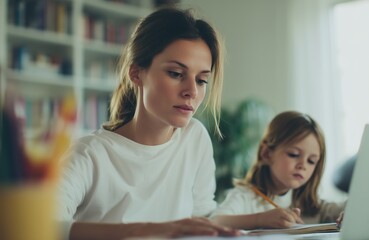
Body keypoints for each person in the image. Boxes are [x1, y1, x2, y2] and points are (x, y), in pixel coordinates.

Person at [57, 7, 240, 240]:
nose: (192, 91)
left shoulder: (195, 137)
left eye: (202, 80)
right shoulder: (90, 154)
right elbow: (40, 225)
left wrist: (259, 219)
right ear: (136, 73)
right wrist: (140, 231)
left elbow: (202, 216)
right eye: (175, 73)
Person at [210, 111, 345, 230]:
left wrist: (349, 213)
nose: (303, 165)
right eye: (293, 154)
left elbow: (349, 206)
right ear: (267, 154)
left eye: (311, 161)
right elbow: (215, 221)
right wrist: (260, 219)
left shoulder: (311, 204)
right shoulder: (244, 197)